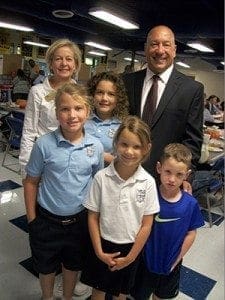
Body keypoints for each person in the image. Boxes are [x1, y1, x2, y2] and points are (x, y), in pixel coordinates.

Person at [23, 82, 104, 300]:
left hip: (79, 222)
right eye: (65, 109)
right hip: (46, 221)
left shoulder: (95, 147)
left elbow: (97, 184)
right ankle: (47, 296)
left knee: (72, 265)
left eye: (78, 108)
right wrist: (32, 220)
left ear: (87, 111)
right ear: (57, 113)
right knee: (46, 267)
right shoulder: (43, 144)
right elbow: (31, 182)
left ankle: (67, 297)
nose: (72, 115)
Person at [81, 115, 160, 300]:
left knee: (121, 293)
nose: (129, 151)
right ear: (116, 143)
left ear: (146, 149)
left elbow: (147, 224)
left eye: (136, 146)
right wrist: (99, 251)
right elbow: (92, 216)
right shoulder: (101, 177)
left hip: (130, 249)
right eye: (124, 144)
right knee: (98, 290)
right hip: (102, 243)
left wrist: (131, 257)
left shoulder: (148, 183)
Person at [122, 25, 204, 181]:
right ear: (146, 49)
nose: (160, 51)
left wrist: (184, 178)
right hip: (126, 173)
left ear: (174, 50)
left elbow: (192, 141)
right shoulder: (127, 82)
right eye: (154, 44)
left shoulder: (192, 89)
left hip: (166, 181)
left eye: (166, 44)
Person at [131, 143, 204, 300]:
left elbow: (191, 232)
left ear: (187, 175)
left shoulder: (190, 204)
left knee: (162, 296)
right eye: (168, 172)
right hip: (145, 262)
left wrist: (178, 258)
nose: (172, 179)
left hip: (171, 264)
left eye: (179, 175)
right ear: (159, 168)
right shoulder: (149, 196)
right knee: (139, 295)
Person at [19, 38, 81, 179]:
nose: (64, 63)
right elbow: (29, 132)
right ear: (51, 64)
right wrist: (26, 167)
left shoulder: (81, 94)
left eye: (69, 59)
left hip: (72, 162)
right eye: (58, 59)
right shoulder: (37, 91)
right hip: (43, 160)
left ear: (76, 64)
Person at [85, 71, 129, 165]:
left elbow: (124, 162)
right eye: (100, 92)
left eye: (111, 94)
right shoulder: (82, 120)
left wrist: (101, 155)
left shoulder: (123, 126)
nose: (104, 98)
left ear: (118, 98)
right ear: (92, 95)